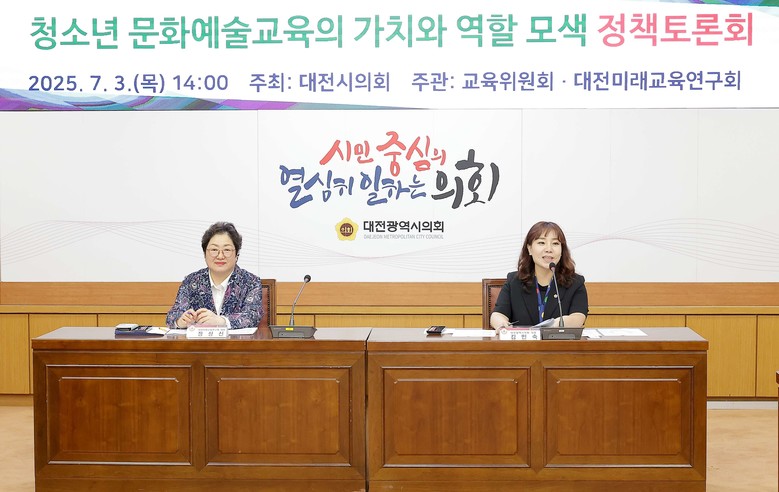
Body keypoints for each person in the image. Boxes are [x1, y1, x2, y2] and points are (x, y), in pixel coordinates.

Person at [490, 221, 588, 329]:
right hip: (523, 340)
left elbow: (578, 317)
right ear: (529, 249)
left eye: (555, 243)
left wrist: (557, 324)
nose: (549, 249)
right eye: (541, 243)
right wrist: (502, 324)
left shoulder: (575, 282)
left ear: (562, 250)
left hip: (558, 340)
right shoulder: (514, 281)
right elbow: (497, 315)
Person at [166, 222, 263, 329]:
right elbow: (172, 316)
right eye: (214, 250)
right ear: (205, 254)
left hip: (235, 340)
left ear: (236, 255)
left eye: (227, 250)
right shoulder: (191, 281)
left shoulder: (251, 282)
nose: (220, 256)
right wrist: (181, 321)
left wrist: (221, 321)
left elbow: (252, 315)